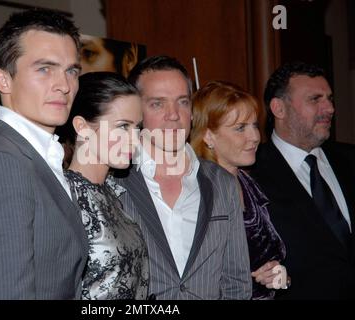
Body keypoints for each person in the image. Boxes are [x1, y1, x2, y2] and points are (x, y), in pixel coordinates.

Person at [0, 9, 88, 299]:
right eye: (45, 68)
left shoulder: (32, 157)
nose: (64, 85)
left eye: (71, 70)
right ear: (3, 81)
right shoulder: (1, 164)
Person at [115, 56, 252, 299]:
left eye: (182, 102)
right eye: (158, 104)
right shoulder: (113, 182)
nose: (174, 115)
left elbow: (236, 282)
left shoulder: (222, 183)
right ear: (135, 111)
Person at [251, 61, 355, 299]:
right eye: (315, 99)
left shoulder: (350, 160)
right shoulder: (250, 174)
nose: (329, 108)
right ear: (279, 108)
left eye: (329, 98)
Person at [190, 80, 288, 299]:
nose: (255, 137)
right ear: (208, 136)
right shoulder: (196, 192)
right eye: (240, 128)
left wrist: (279, 276)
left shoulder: (248, 181)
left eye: (254, 125)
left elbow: (271, 257)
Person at [59, 71, 148, 300]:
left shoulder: (113, 192)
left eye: (137, 128)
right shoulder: (64, 196)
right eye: (122, 126)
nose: (135, 139)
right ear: (82, 126)